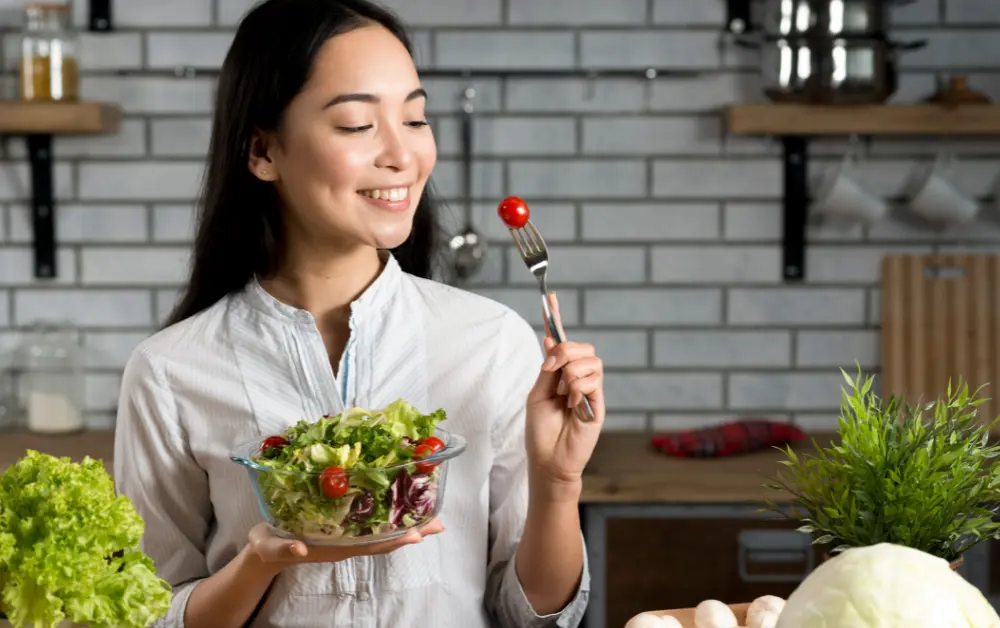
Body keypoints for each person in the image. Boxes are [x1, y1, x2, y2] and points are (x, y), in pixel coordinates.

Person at [112, 1, 607, 627]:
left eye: (415, 118)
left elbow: (528, 613)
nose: (403, 154)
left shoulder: (491, 342)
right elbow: (148, 613)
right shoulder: (169, 371)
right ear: (263, 151)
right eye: (356, 124)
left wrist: (559, 482)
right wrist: (258, 563)